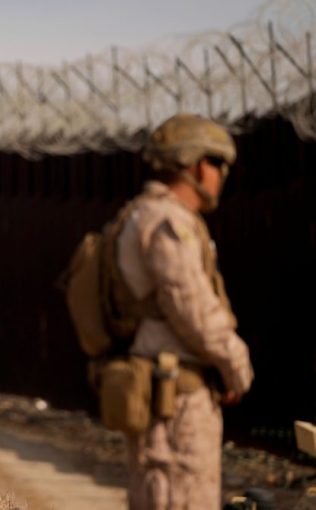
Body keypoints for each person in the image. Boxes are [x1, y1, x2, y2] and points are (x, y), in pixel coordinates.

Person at [115, 114, 254, 509]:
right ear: (195, 165)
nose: (220, 175)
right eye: (217, 163)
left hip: (169, 389)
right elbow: (191, 308)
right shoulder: (167, 221)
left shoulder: (146, 214)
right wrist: (235, 362)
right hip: (175, 399)